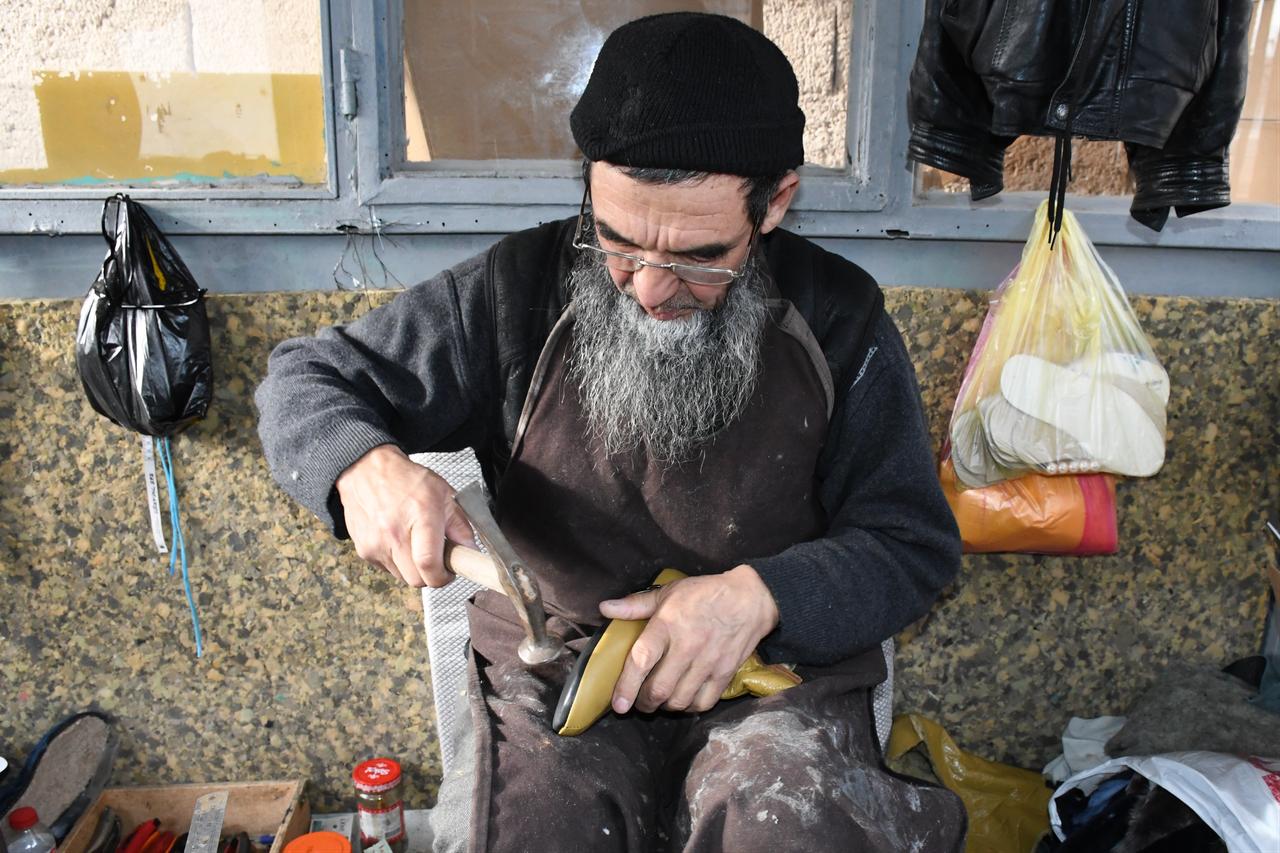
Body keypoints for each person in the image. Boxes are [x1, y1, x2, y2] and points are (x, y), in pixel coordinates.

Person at [257, 12, 966, 852]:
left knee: (779, 823)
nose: (649, 290)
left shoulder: (838, 317)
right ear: (588, 185)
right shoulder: (510, 295)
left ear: (775, 201)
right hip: (559, 662)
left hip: (777, 680)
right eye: (618, 241)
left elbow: (912, 545)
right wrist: (362, 464)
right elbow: (305, 379)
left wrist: (761, 596)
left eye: (701, 257)